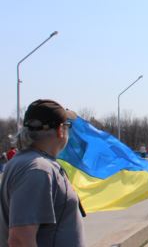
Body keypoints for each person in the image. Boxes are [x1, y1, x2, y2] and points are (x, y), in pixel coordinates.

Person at [0, 99, 85, 246]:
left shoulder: (28, 162)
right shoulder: (38, 169)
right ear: (60, 130)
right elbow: (20, 240)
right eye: (68, 126)